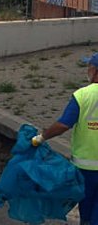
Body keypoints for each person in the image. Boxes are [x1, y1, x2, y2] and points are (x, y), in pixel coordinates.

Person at [31, 52, 98, 225]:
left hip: (86, 169)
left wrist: (41, 138)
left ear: (95, 71)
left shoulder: (83, 95)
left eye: (89, 66)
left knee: (87, 212)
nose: (88, 70)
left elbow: (63, 125)